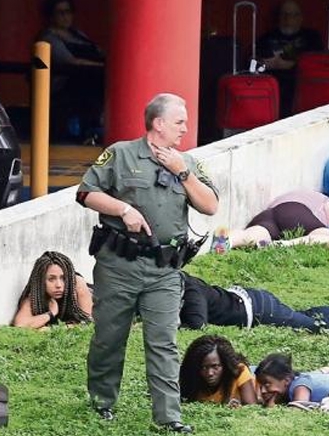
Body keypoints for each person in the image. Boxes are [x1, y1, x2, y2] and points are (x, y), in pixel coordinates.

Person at [76, 93, 219, 433]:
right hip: (119, 265)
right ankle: (102, 401)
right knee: (110, 336)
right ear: (158, 123)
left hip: (164, 269)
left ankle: (168, 417)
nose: (185, 128)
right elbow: (85, 193)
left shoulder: (187, 162)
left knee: (164, 342)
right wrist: (122, 209)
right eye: (179, 122)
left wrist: (182, 173)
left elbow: (210, 205)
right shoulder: (121, 154)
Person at [179, 272, 329, 333]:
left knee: (316, 325)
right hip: (252, 300)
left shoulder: (191, 291)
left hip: (259, 310)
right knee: (306, 315)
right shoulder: (188, 283)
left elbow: (197, 325)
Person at [38, 0, 105, 141]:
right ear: (51, 16)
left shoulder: (78, 34)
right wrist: (100, 66)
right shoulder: (49, 38)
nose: (65, 16)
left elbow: (98, 51)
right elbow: (70, 61)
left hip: (90, 81)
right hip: (64, 87)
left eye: (68, 12)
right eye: (60, 13)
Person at [257, 0, 324, 117]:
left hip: (300, 84)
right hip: (272, 85)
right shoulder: (266, 38)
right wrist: (265, 64)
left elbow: (318, 62)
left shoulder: (311, 37)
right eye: (285, 14)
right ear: (279, 17)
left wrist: (293, 64)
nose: (288, 19)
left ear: (300, 18)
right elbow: (254, 63)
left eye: (294, 15)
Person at [12, 251, 93, 329]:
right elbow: (20, 324)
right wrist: (51, 313)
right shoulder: (36, 294)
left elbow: (89, 321)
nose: (58, 285)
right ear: (41, 281)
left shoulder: (77, 283)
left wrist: (54, 329)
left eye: (63, 278)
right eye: (51, 279)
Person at [179, 335, 257, 407]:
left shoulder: (239, 371)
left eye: (215, 366)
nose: (210, 373)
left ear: (225, 364)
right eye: (203, 367)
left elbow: (251, 406)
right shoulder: (191, 378)